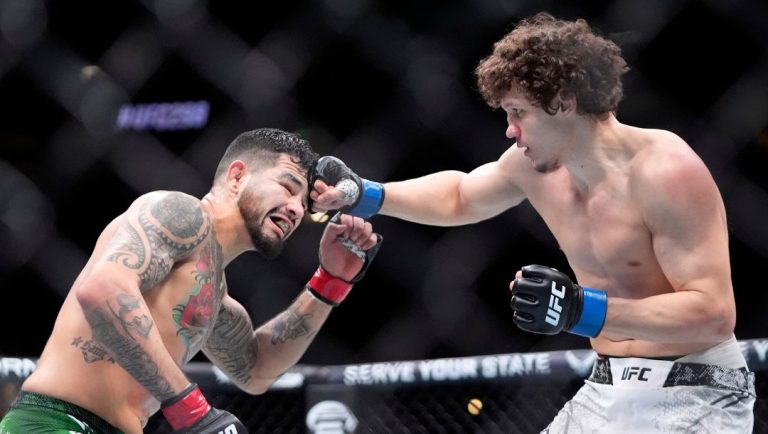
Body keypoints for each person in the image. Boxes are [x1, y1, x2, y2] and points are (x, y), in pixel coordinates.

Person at [307, 12, 755, 434]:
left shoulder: (664, 171)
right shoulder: (537, 169)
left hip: (699, 387)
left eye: (518, 112)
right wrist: (366, 194)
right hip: (609, 385)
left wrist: (582, 310)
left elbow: (713, 315)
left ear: (563, 102)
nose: (509, 130)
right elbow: (461, 195)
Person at [0, 128, 382, 434]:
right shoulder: (179, 214)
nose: (297, 208)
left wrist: (329, 281)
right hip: (54, 422)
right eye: (287, 187)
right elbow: (102, 290)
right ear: (237, 176)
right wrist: (189, 407)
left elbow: (255, 370)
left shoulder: (212, 292)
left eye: (304, 203)